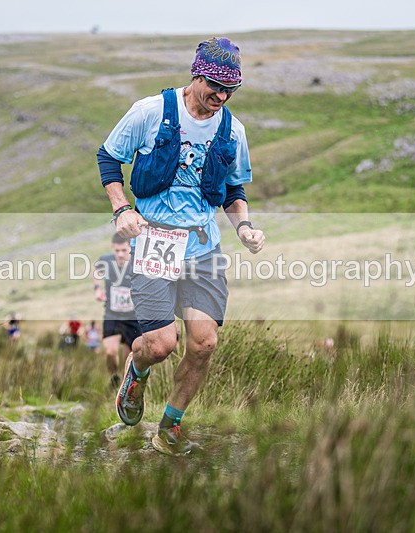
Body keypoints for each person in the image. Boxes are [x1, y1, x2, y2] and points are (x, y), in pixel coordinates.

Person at [97, 37, 265, 455]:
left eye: (230, 90)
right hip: (154, 239)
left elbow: (233, 187)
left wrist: (244, 226)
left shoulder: (233, 129)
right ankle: (135, 373)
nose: (221, 97)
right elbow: (108, 157)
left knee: (205, 342)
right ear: (196, 73)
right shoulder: (151, 112)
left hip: (203, 246)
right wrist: (122, 210)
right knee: (160, 344)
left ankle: (170, 425)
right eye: (214, 86)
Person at [93, 232, 142, 389]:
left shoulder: (137, 263)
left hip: (133, 317)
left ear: (130, 247)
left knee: (130, 358)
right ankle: (114, 377)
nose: (120, 254)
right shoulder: (106, 261)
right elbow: (95, 269)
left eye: (123, 250)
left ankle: (124, 387)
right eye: (117, 251)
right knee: (110, 352)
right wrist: (97, 289)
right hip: (112, 313)